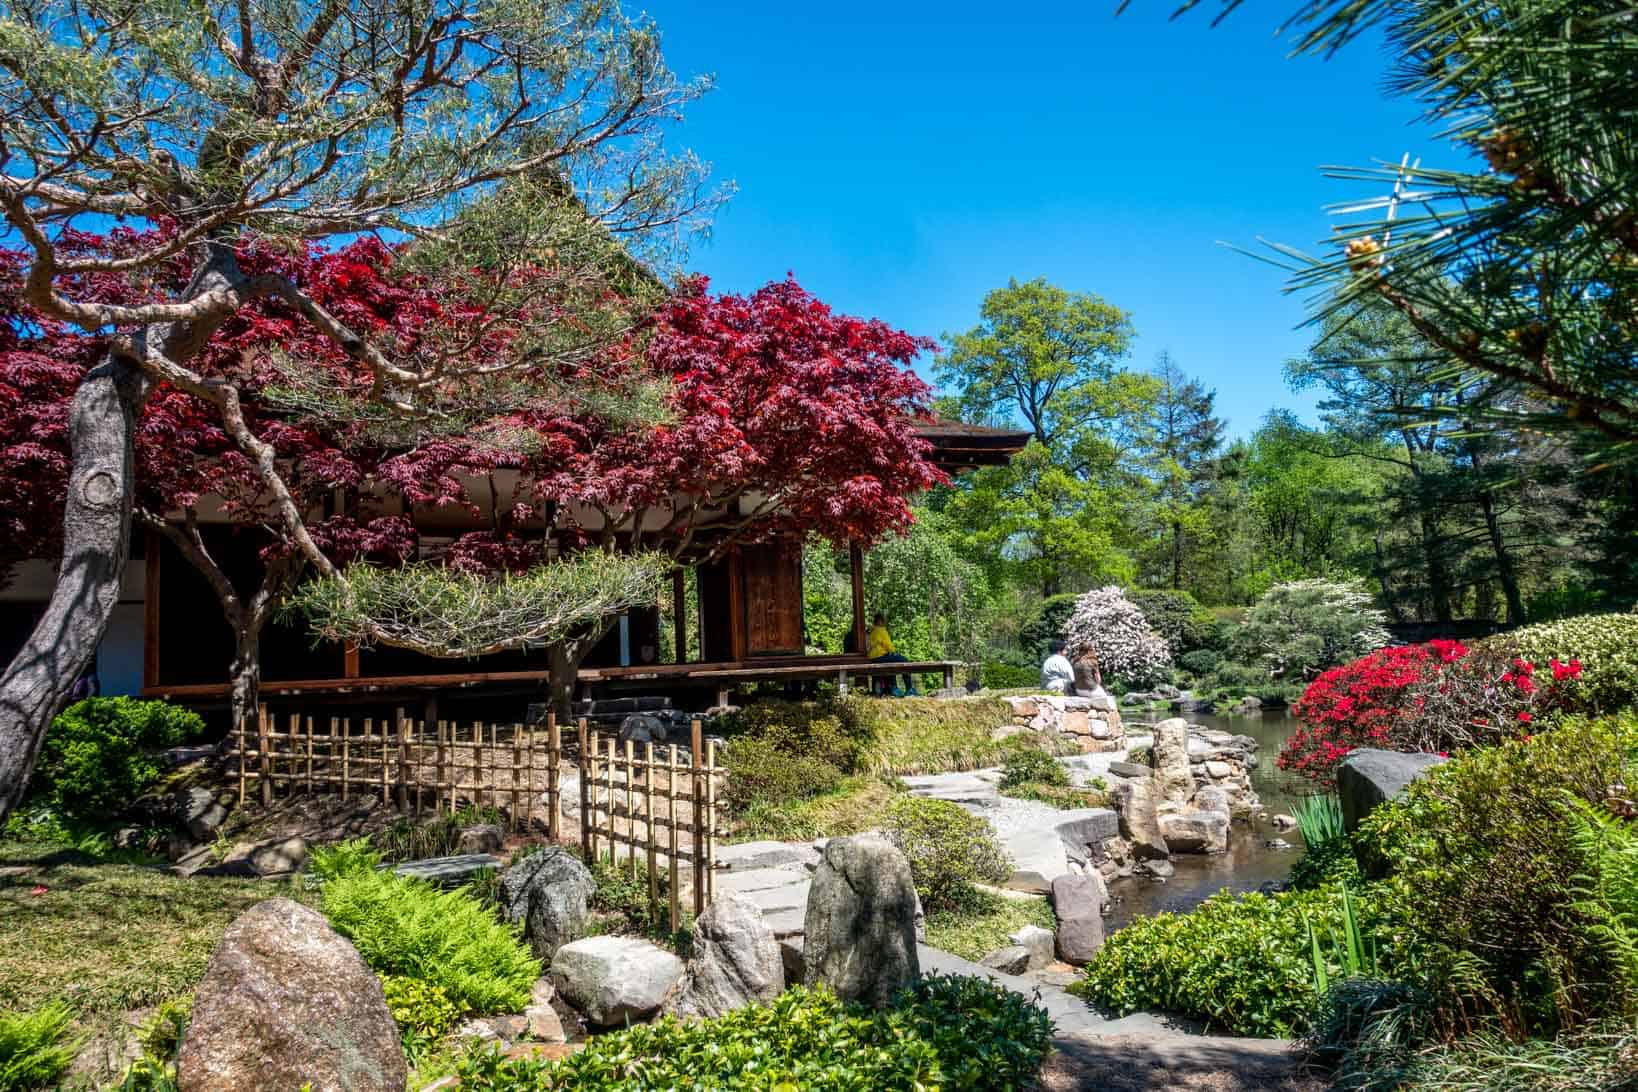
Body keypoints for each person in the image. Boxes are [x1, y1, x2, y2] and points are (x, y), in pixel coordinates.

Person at [867, 612, 917, 696]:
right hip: (880, 656)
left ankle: (893, 687)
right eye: (883, 621)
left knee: (891, 663)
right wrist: (894, 652)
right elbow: (888, 645)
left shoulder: (872, 632)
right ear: (880, 621)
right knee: (904, 661)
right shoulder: (881, 630)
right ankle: (909, 688)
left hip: (873, 658)